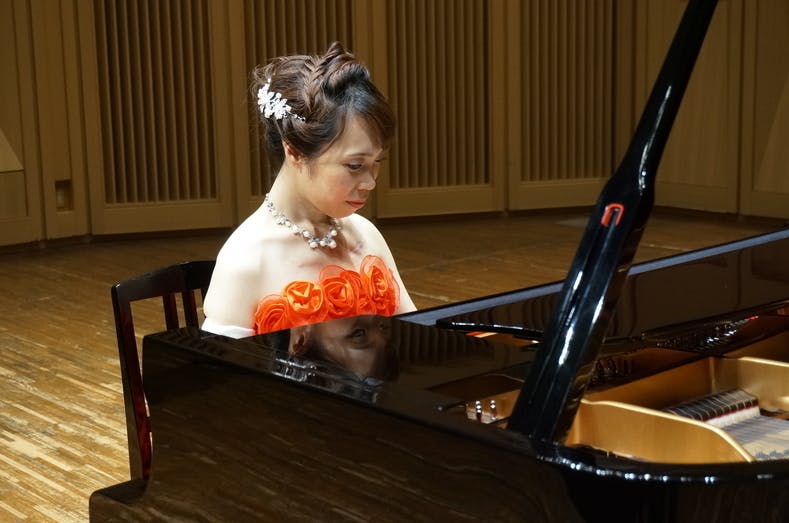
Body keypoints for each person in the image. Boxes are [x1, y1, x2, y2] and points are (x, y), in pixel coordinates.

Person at [202, 42, 416, 339]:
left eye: (377, 162)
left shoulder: (366, 234)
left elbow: (414, 336)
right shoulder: (247, 259)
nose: (370, 182)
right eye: (355, 165)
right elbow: (221, 368)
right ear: (295, 151)